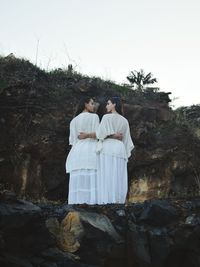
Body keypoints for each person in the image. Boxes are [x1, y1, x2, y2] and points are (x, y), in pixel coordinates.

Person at [96, 97, 134, 204]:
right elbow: (127, 140)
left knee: (107, 174)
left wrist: (111, 134)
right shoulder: (125, 121)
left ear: (114, 105)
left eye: (108, 103)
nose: (106, 106)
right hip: (120, 148)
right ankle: (118, 201)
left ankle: (106, 201)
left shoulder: (106, 118)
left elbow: (100, 134)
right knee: (118, 175)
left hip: (108, 147)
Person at [65, 97, 99, 204]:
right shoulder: (94, 117)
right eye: (92, 103)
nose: (94, 106)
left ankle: (76, 205)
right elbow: (98, 135)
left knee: (78, 180)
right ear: (85, 104)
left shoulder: (74, 121)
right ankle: (91, 204)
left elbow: (73, 141)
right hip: (91, 149)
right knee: (91, 179)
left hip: (77, 152)